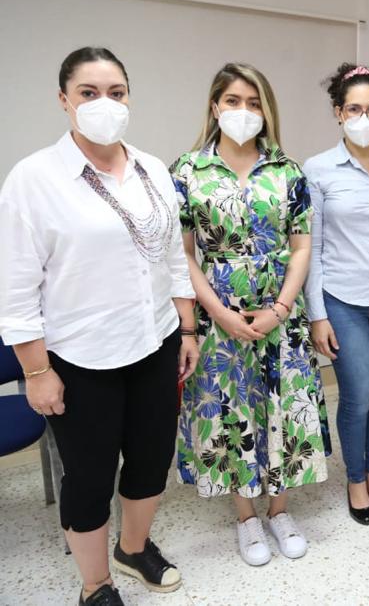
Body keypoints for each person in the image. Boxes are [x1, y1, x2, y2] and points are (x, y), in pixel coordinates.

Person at [0, 47, 197, 605]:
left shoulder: (152, 168)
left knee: (153, 457)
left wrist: (186, 331)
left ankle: (133, 548)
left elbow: (171, 259)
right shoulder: (34, 179)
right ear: (63, 100)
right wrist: (36, 371)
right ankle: (95, 584)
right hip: (80, 358)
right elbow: (15, 292)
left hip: (155, 342)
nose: (104, 104)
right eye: (88, 93)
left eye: (116, 92)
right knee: (88, 477)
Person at [172, 63, 330, 566]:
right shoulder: (187, 172)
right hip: (219, 315)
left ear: (267, 110)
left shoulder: (289, 171)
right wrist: (217, 314)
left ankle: (280, 509)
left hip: (281, 313)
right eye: (234, 100)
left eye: (254, 102)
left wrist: (281, 308)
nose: (243, 111)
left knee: (284, 402)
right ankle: (245, 516)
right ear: (215, 105)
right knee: (232, 410)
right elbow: (183, 255)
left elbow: (303, 247)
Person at [304, 64, 369, 525]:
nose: (364, 117)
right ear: (338, 113)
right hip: (342, 298)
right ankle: (354, 478)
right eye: (354, 109)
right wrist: (317, 315)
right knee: (358, 393)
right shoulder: (317, 169)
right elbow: (312, 246)